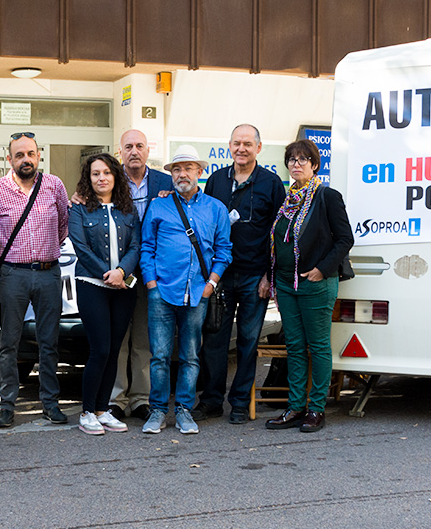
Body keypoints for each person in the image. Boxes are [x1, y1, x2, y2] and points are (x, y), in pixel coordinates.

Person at [194, 124, 287, 425]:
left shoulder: (271, 184)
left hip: (253, 276)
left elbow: (278, 233)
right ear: (229, 146)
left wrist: (268, 277)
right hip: (220, 275)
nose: (242, 148)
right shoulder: (216, 180)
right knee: (214, 340)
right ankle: (210, 401)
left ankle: (238, 403)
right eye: (237, 143)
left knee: (248, 341)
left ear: (259, 148)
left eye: (248, 143)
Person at [261, 139, 353, 433]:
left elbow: (344, 239)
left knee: (318, 346)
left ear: (315, 165)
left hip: (314, 282)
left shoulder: (326, 196)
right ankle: (295, 407)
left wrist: (321, 270)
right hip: (286, 283)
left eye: (303, 159)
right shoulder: (288, 200)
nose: (296, 164)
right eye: (292, 159)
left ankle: (316, 409)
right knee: (295, 346)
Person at [139, 145, 231, 435]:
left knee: (191, 356)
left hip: (197, 292)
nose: (182, 174)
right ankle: (157, 411)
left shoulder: (215, 208)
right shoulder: (159, 205)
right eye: (176, 169)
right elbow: (147, 247)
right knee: (160, 355)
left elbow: (224, 250)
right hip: (162, 292)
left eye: (188, 168)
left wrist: (211, 284)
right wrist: (151, 284)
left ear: (199, 172)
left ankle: (184, 411)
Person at [0, 132, 70, 428]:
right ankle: (6, 405)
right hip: (12, 275)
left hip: (48, 273)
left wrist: (44, 254)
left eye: (30, 154)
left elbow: (63, 226)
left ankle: (50, 403)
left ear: (38, 155)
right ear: (9, 159)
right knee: (8, 343)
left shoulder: (54, 186)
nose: (26, 159)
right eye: (19, 155)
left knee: (49, 342)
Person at [69, 154, 140, 435]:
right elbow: (80, 247)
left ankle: (102, 410)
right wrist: (107, 274)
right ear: (88, 178)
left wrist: (122, 271)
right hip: (92, 284)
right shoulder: (79, 209)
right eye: (96, 174)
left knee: (113, 351)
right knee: (99, 349)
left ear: (115, 176)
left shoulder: (127, 208)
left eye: (107, 173)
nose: (102, 178)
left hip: (123, 286)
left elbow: (137, 244)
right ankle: (87, 411)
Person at [110, 130, 172, 421]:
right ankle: (116, 399)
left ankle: (141, 399)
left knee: (145, 339)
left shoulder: (165, 182)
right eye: (128, 147)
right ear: (120, 151)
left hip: (151, 272)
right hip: (117, 270)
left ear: (148, 150)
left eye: (139, 146)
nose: (134, 151)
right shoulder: (107, 178)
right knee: (118, 338)